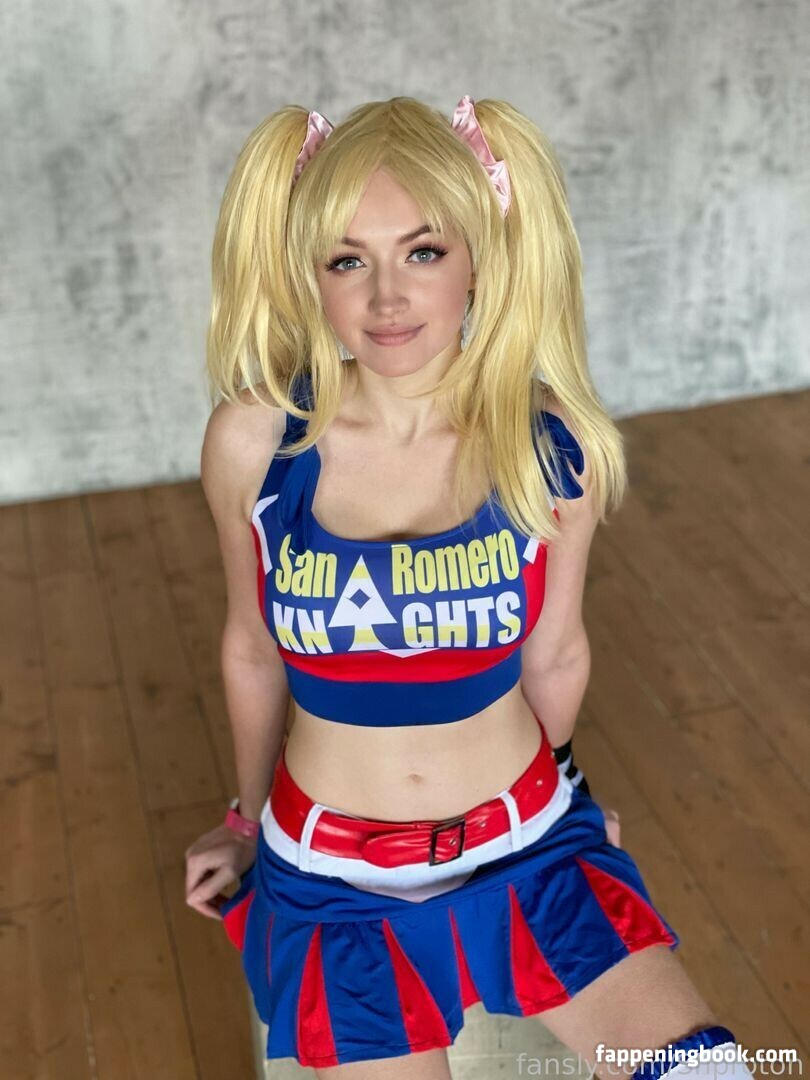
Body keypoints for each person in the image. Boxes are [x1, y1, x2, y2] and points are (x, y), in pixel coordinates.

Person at [185, 96, 754, 1079]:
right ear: (308, 274)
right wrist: (245, 825)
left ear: (479, 260)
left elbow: (556, 650)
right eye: (347, 260)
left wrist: (571, 796)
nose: (387, 298)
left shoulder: (547, 441)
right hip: (335, 881)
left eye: (423, 251)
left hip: (531, 845)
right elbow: (251, 647)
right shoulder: (256, 439)